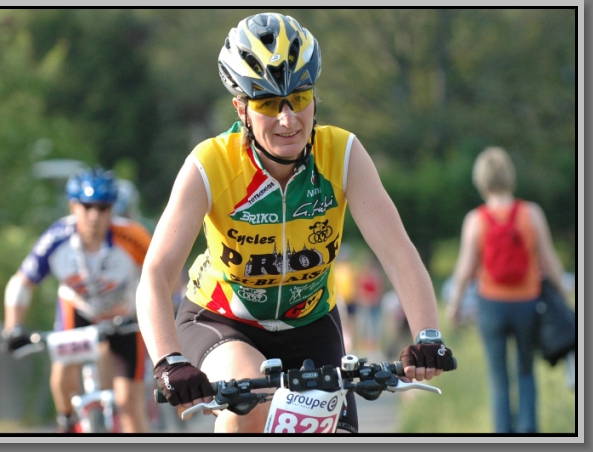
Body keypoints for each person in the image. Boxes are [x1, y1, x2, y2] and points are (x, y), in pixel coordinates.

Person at [136, 12, 455, 434]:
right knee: (252, 404)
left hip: (311, 324)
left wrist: (428, 335)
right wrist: (169, 361)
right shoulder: (210, 165)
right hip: (223, 319)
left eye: (299, 98)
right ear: (241, 108)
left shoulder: (342, 154)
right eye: (269, 104)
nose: (288, 120)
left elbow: (398, 253)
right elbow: (156, 274)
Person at [0, 166, 153, 433]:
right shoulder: (56, 238)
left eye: (103, 208)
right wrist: (13, 327)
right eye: (87, 206)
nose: (94, 215)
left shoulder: (133, 236)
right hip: (78, 311)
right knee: (63, 371)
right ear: (73, 206)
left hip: (124, 315)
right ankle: (67, 422)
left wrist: (172, 306)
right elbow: (22, 282)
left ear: (112, 209)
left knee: (129, 402)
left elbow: (165, 273)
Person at [446, 146, 567, 433]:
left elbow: (464, 270)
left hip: (491, 304)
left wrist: (455, 305)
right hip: (528, 303)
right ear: (510, 176)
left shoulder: (476, 220)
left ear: (481, 180)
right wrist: (564, 296)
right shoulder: (531, 214)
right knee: (526, 372)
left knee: (498, 378)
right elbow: (550, 262)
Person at [354, 251, 385, 356]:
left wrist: (374, 299)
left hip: (374, 304)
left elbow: (379, 289)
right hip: (364, 304)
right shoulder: (363, 275)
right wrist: (364, 299)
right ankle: (363, 348)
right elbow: (359, 289)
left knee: (374, 327)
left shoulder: (376, 276)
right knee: (363, 325)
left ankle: (373, 348)